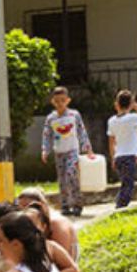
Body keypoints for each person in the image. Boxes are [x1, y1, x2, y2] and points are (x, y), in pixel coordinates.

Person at [41, 86, 95, 217]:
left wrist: (87, 148)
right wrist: (45, 150)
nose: (60, 103)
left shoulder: (74, 115)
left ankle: (77, 203)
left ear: (68, 100)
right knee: (62, 179)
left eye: (62, 100)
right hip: (59, 152)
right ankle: (65, 205)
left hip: (72, 150)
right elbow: (47, 135)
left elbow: (81, 131)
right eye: (57, 101)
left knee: (71, 174)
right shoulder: (51, 118)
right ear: (53, 101)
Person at [107, 90, 137, 209]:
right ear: (130, 104)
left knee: (124, 182)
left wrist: (112, 157)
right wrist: (136, 106)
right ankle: (120, 206)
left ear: (117, 104)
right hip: (130, 156)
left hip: (119, 156)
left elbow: (111, 141)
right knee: (128, 184)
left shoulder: (112, 121)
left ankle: (119, 203)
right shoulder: (132, 118)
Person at [16, 188, 78, 262]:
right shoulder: (28, 223)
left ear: (41, 205)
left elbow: (65, 262)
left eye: (29, 207)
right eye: (20, 209)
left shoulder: (56, 224)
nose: (25, 212)